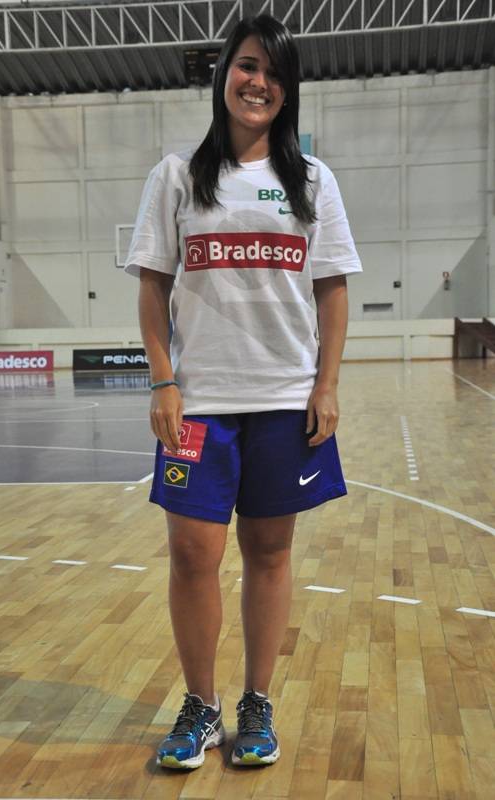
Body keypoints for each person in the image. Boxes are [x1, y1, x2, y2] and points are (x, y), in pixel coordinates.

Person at [124, 13, 362, 770]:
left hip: (284, 399)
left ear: (288, 91)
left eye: (274, 73)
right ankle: (201, 706)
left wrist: (326, 384)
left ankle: (256, 702)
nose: (259, 82)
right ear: (224, 72)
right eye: (248, 66)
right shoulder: (176, 176)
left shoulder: (313, 181)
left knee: (268, 551)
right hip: (197, 401)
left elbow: (331, 290)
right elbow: (152, 287)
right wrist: (163, 379)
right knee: (191, 553)